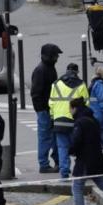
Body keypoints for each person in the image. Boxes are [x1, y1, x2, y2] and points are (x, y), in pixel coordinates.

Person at [48, 63, 89, 179]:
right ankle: (79, 170)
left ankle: (64, 172)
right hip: (75, 120)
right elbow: (86, 103)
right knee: (79, 146)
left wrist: (53, 116)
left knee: (62, 147)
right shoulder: (81, 84)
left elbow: (51, 103)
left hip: (59, 120)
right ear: (77, 72)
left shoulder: (56, 84)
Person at [30, 43, 61, 173]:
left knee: (51, 136)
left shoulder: (47, 68)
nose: (57, 58)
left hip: (48, 108)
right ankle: (44, 164)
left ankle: (53, 161)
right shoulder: (42, 70)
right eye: (55, 55)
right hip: (45, 109)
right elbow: (36, 93)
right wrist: (42, 110)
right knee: (46, 137)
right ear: (49, 56)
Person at [89, 66, 103, 148]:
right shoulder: (101, 85)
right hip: (100, 116)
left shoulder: (94, 83)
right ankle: (101, 157)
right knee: (102, 142)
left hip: (93, 115)